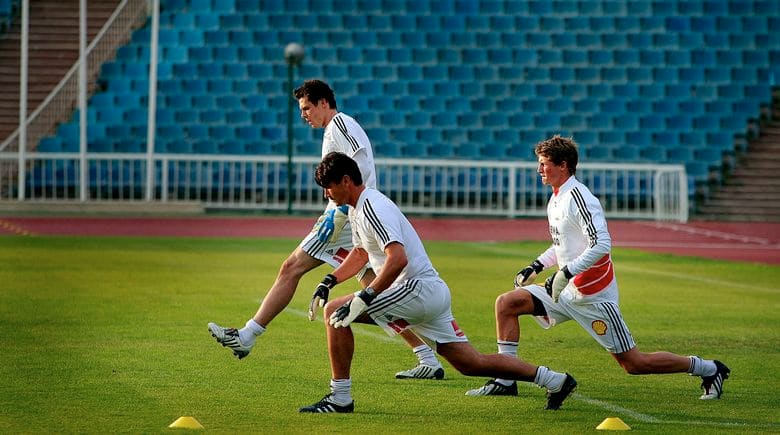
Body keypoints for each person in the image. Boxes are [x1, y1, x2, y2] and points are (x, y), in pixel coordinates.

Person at [298, 152, 577, 413]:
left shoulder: (372, 206)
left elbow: (398, 259)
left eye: (328, 187)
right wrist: (329, 280)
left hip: (415, 289)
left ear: (346, 180)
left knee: (334, 312)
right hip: (429, 292)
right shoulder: (358, 208)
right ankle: (555, 380)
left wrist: (366, 295)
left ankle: (340, 397)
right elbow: (361, 253)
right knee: (470, 363)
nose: (326, 194)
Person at [207, 79, 444, 380]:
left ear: (323, 103)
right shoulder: (334, 129)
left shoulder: (340, 124)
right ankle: (426, 355)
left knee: (291, 267)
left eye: (307, 108)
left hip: (345, 217)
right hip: (352, 216)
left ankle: (248, 335)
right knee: (372, 287)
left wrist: (342, 211)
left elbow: (358, 165)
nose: (304, 115)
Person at [465, 135, 730, 400]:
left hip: (592, 296)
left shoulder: (579, 197)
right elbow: (564, 245)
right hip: (564, 290)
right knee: (507, 303)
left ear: (563, 165)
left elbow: (601, 244)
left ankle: (708, 368)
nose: (539, 170)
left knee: (634, 364)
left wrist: (565, 272)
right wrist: (537, 265)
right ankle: (506, 379)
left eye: (544, 164)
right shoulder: (556, 198)